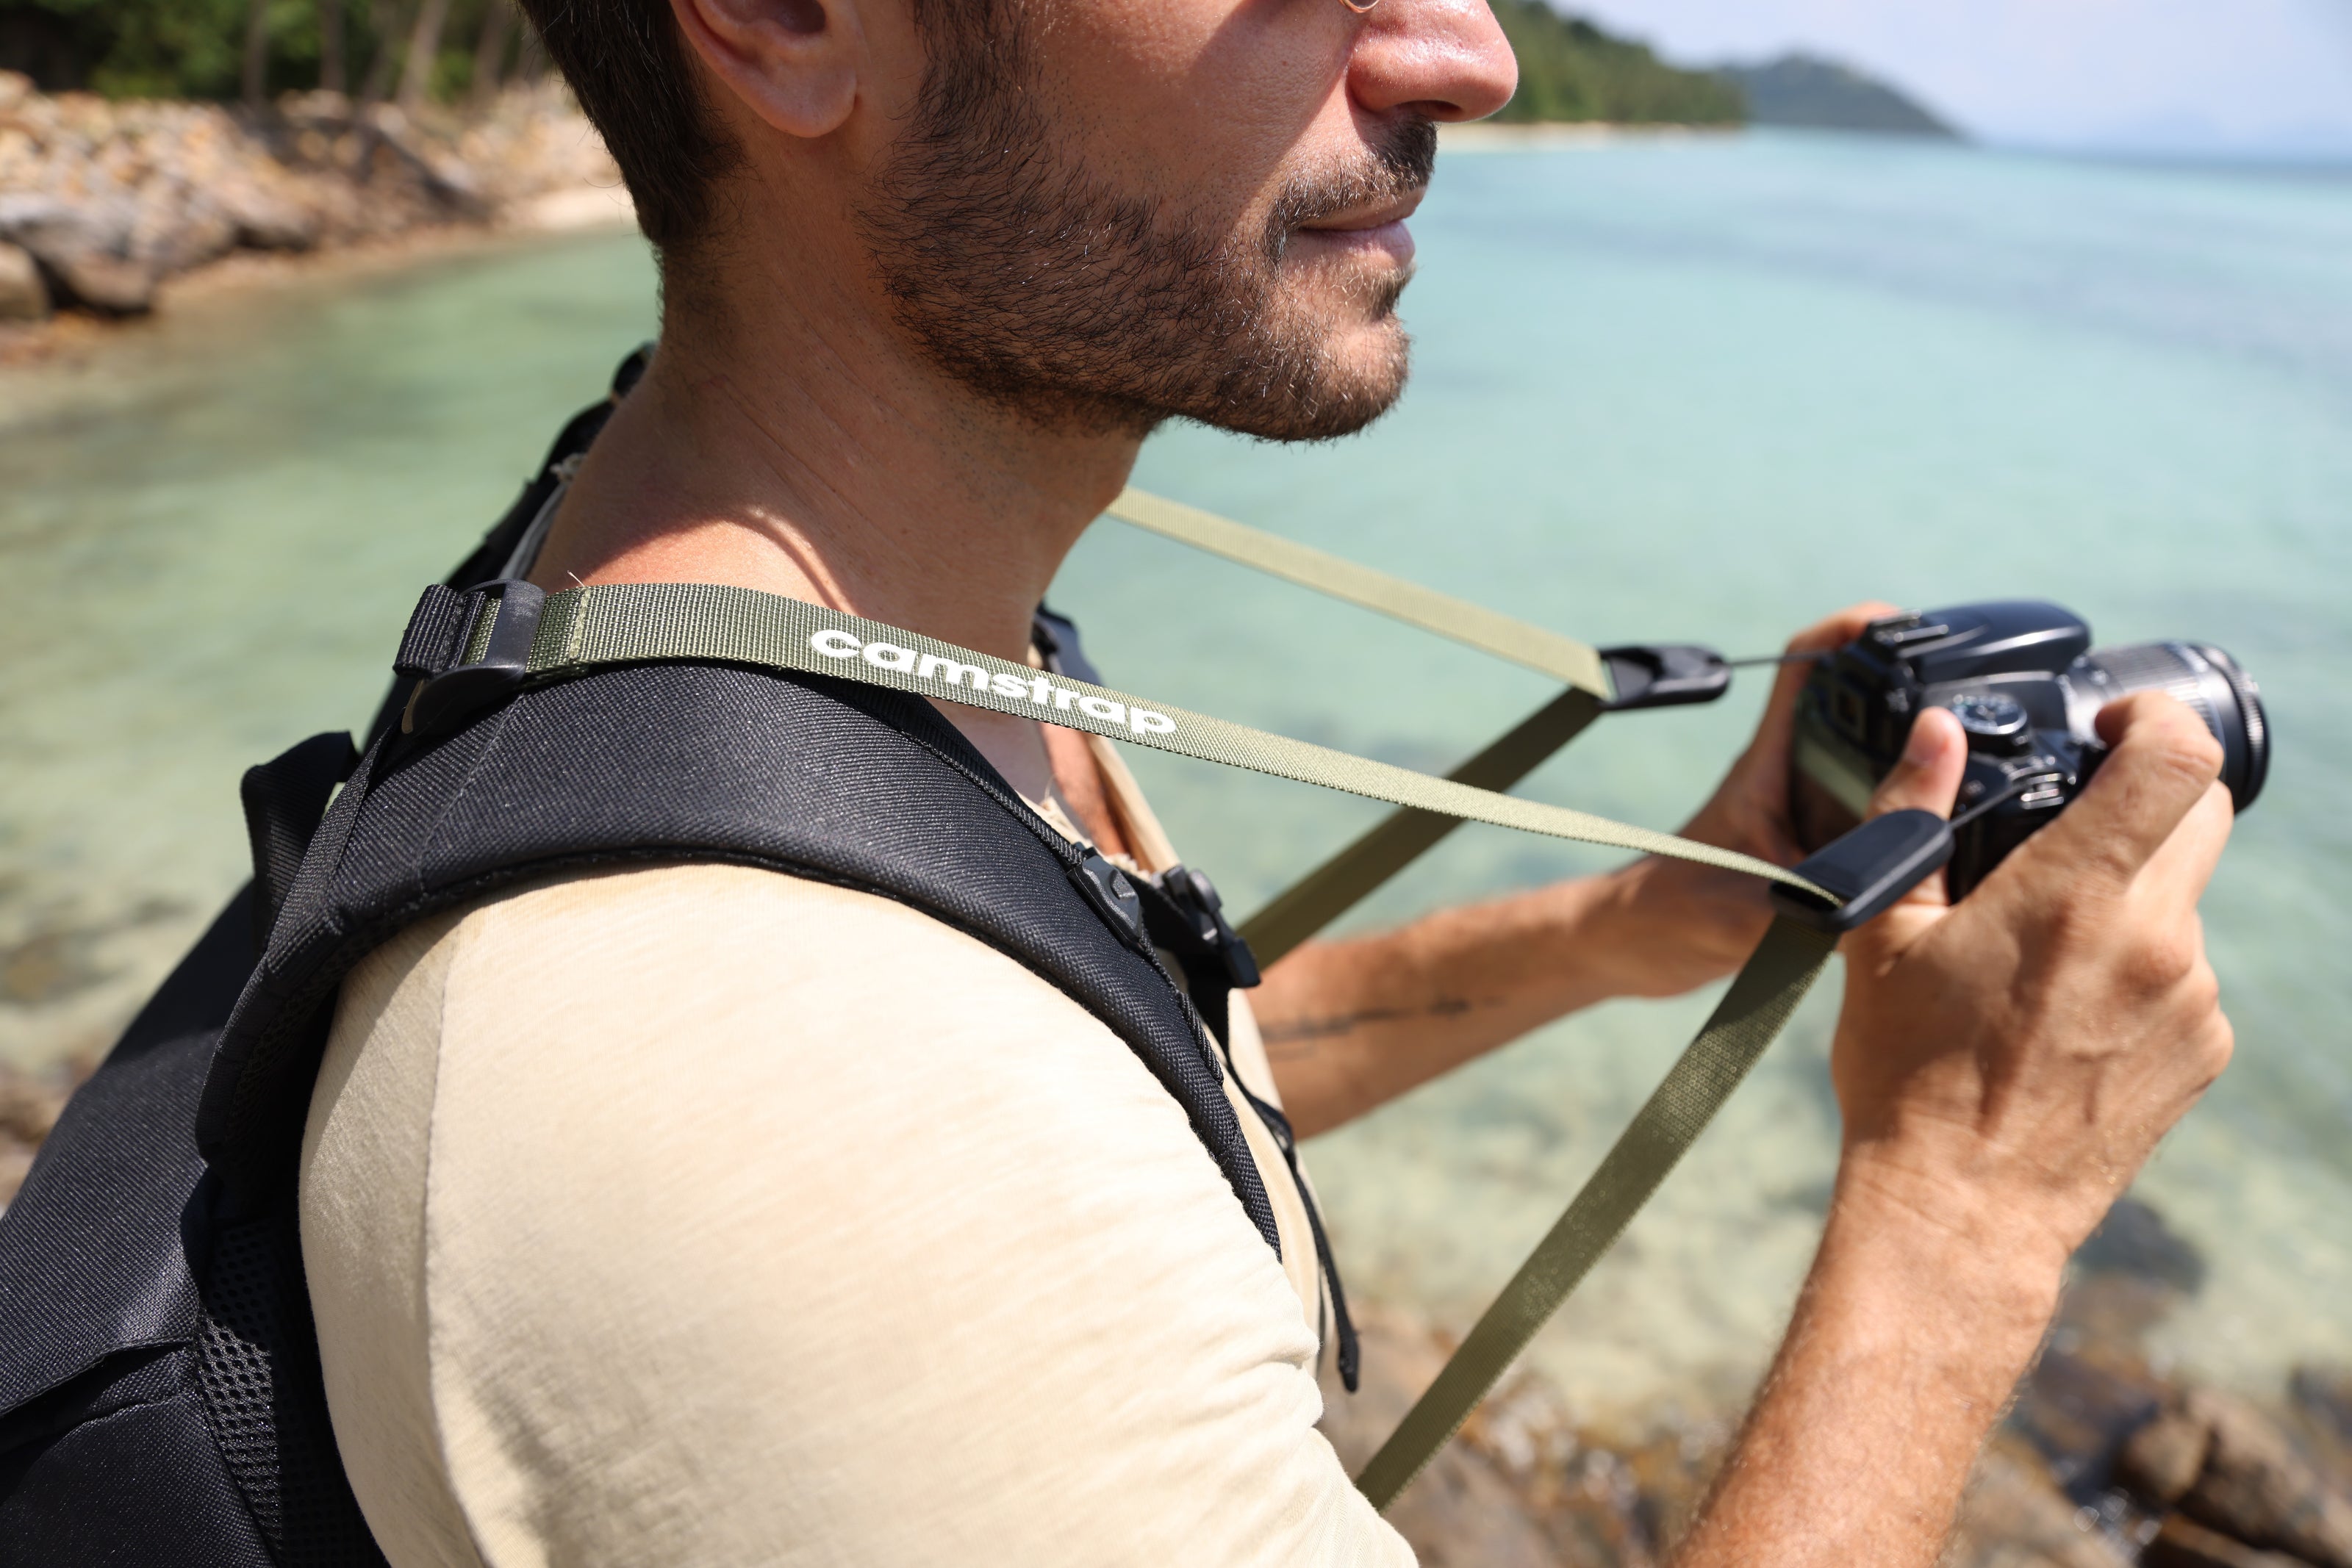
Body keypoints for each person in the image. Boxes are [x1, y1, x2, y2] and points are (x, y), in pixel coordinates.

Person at [294, 0, 2238, 1561]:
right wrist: (1962, 1212)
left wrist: (1632, 924)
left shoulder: (759, 619)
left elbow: (1110, 1092)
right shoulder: (790, 1110)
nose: (1467, 56)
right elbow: (951, 1150)